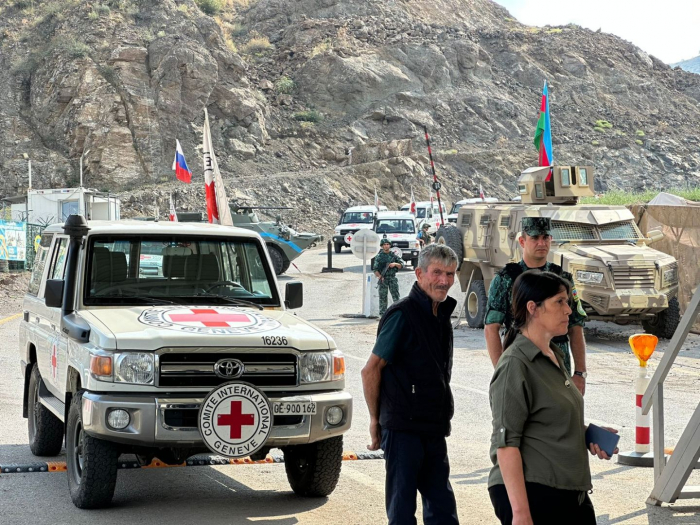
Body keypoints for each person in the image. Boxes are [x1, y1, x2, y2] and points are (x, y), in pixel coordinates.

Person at [488, 270, 618, 524]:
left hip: (568, 492)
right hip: (536, 492)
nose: (568, 310)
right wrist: (521, 514)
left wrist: (587, 434)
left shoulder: (555, 355)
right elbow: (505, 444)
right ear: (533, 308)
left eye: (567, 302)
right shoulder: (515, 363)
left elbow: (548, 421)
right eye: (559, 302)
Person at [362, 244, 460, 525]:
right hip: (403, 429)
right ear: (419, 273)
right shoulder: (402, 315)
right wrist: (374, 419)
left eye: (450, 274)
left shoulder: (439, 314)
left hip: (433, 427)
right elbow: (370, 370)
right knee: (402, 511)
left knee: (442, 509)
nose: (444, 280)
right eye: (437, 272)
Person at [484, 217, 588, 394]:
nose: (541, 243)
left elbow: (575, 325)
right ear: (523, 241)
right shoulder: (506, 279)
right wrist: (502, 372)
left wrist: (580, 372)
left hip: (558, 362)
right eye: (535, 238)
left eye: (545, 237)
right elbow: (491, 328)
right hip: (522, 361)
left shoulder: (563, 279)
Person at [373, 238, 404, 316]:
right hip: (383, 279)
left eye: (387, 244)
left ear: (390, 245)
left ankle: (398, 313)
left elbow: (402, 264)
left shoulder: (393, 255)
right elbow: (375, 269)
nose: (386, 246)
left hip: (392, 278)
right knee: (383, 297)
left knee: (396, 296)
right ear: (382, 246)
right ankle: (382, 315)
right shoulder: (379, 256)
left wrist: (395, 264)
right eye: (384, 245)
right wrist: (380, 276)